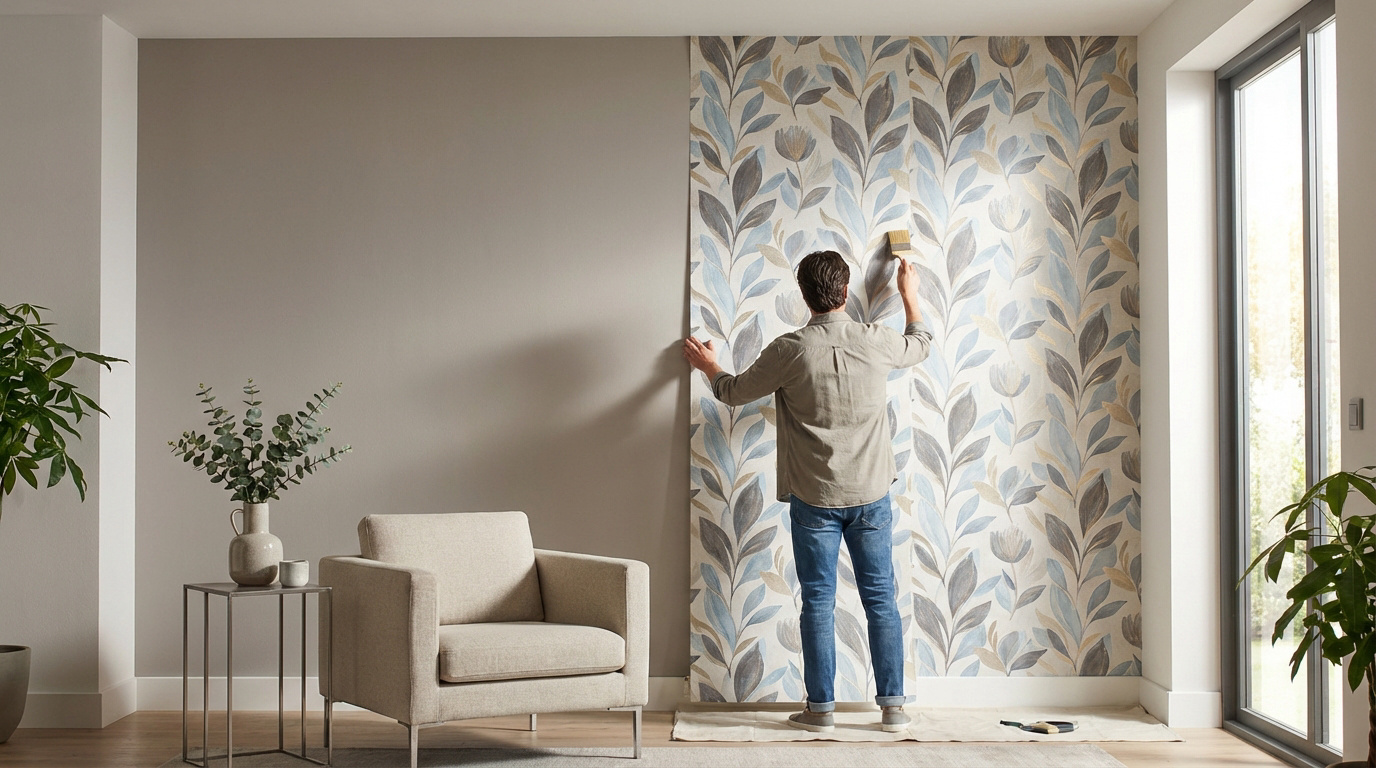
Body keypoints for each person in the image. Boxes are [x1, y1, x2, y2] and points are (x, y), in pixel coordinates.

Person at [683, 249, 931, 733]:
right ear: (844, 293)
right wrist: (909, 295)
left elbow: (732, 391)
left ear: (804, 295)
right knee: (880, 599)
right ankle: (893, 710)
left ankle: (820, 713)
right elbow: (920, 343)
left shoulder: (789, 350)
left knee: (818, 601)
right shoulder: (875, 341)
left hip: (814, 499)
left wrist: (709, 365)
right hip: (872, 495)